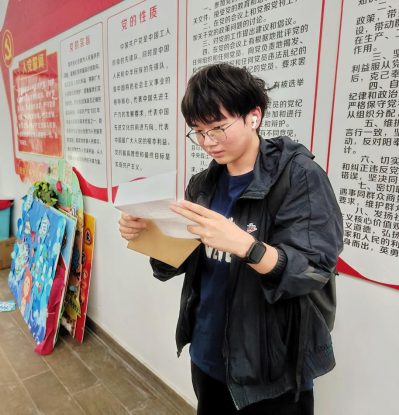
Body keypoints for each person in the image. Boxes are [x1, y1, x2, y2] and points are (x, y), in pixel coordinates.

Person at [118, 63, 343, 414]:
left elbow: (313, 270)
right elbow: (175, 263)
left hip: (271, 367)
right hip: (207, 354)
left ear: (254, 116)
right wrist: (149, 234)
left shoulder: (299, 176)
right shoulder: (203, 184)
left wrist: (245, 245)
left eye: (218, 128)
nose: (208, 142)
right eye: (198, 131)